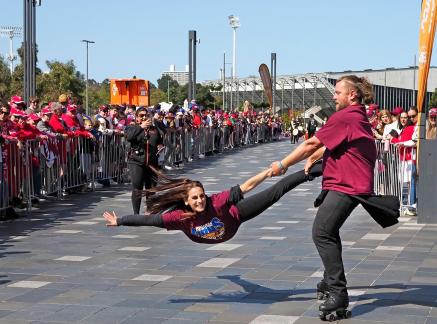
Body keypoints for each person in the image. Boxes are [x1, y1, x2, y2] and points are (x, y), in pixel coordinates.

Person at [269, 75, 399, 319]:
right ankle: (331, 282)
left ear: (352, 94)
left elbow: (311, 143)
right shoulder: (356, 116)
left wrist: (282, 164)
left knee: (322, 232)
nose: (333, 95)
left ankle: (338, 291)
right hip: (345, 183)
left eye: (338, 91)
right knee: (328, 231)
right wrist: (320, 154)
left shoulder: (346, 116)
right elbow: (335, 142)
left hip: (347, 185)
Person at [103, 163, 323, 243]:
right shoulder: (178, 217)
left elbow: (246, 187)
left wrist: (267, 172)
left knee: (275, 193)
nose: (200, 201)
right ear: (186, 201)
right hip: (221, 229)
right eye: (195, 198)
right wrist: (120, 221)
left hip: (235, 217)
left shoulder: (216, 201)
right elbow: (148, 220)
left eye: (201, 196)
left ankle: (312, 171)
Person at [125, 107, 163, 214]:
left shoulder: (154, 129)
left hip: (152, 162)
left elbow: (160, 140)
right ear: (137, 117)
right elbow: (129, 137)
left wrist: (160, 146)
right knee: (137, 186)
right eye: (141, 115)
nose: (144, 117)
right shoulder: (131, 128)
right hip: (136, 161)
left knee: (151, 188)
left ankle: (149, 210)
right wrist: (141, 127)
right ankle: (136, 213)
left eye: (146, 115)